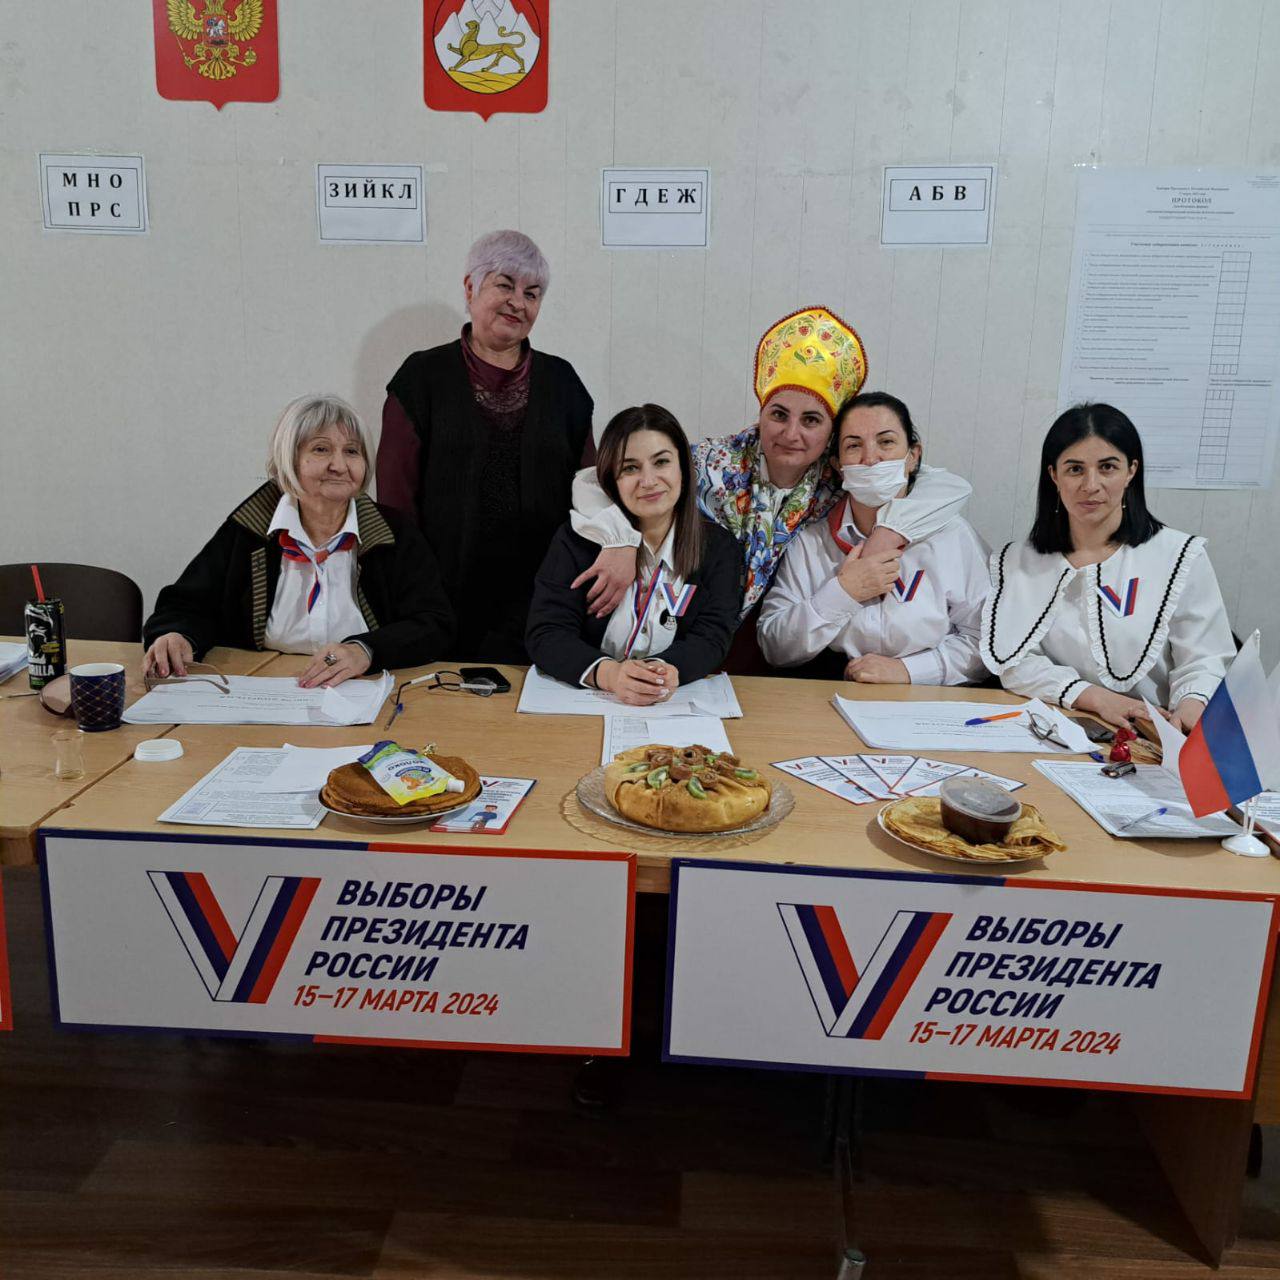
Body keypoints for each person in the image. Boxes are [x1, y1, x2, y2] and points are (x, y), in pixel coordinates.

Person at [567, 307, 971, 672]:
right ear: (761, 414)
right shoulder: (712, 462)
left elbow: (944, 486)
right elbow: (592, 480)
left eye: (811, 420)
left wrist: (890, 530)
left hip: (768, 652)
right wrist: (619, 539)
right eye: (779, 415)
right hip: (682, 632)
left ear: (830, 434)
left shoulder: (841, 477)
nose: (791, 434)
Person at [377, 229, 594, 664]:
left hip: (543, 600)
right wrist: (413, 590)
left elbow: (590, 489)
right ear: (470, 288)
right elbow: (396, 501)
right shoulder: (421, 379)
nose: (518, 302)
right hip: (440, 600)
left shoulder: (564, 383)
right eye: (504, 285)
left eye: (532, 293)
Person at [144, 395, 453, 686]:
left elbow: (434, 623)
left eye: (352, 451)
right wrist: (177, 636)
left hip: (364, 690)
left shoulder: (395, 533)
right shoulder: (249, 530)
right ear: (289, 460)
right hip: (260, 689)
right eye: (321, 449)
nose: (339, 465)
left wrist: (367, 650)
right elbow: (186, 605)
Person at [981, 403, 1235, 731]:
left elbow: (1204, 658)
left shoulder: (1180, 555)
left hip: (1156, 735)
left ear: (1131, 471)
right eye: (1075, 469)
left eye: (1107, 467)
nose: (1091, 484)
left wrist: (1191, 705)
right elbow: (1014, 662)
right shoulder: (1016, 562)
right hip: (1059, 731)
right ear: (1053, 475)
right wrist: (1096, 698)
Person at [758, 392, 989, 684]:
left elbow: (988, 644)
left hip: (929, 698)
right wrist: (843, 593)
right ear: (838, 466)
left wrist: (909, 671)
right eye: (854, 445)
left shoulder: (953, 537)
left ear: (913, 456)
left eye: (886, 442)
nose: (870, 459)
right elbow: (775, 647)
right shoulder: (811, 543)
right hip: (833, 692)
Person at [526, 404, 742, 705]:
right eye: (630, 468)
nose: (648, 481)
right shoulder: (576, 540)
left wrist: (663, 672)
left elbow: (712, 636)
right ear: (611, 478)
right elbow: (547, 632)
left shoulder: (719, 548)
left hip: (671, 703)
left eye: (661, 462)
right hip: (588, 701)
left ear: (683, 467)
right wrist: (609, 675)